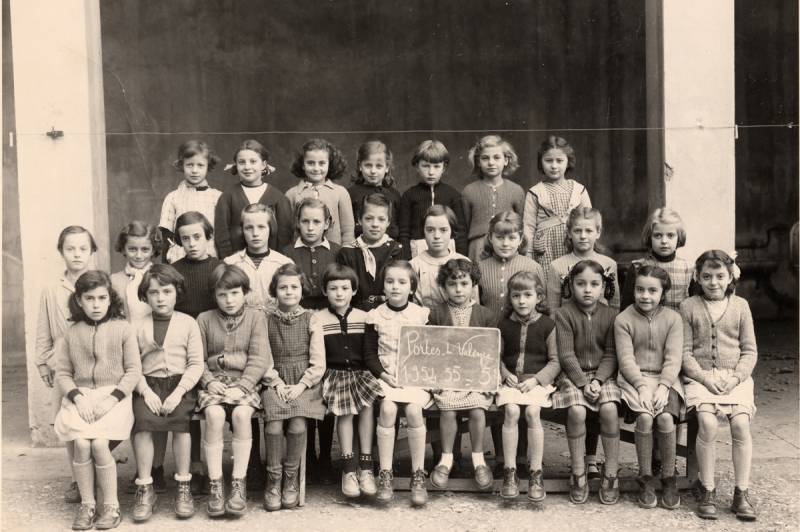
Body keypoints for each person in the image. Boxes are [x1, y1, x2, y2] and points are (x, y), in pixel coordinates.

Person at [54, 271, 142, 530]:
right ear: (79, 301)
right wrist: (77, 398)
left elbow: (133, 371)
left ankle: (112, 506)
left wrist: (112, 399)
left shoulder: (122, 329)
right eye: (89, 298)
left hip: (114, 397)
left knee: (100, 445)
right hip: (81, 397)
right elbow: (63, 373)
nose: (96, 304)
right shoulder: (72, 333)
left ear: (110, 299)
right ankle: (88, 504)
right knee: (81, 443)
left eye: (102, 298)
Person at [680, 251, 758, 521]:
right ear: (697, 278)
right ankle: (708, 489)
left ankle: (741, 492)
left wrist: (736, 378)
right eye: (707, 277)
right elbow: (685, 354)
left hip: (735, 377)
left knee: (739, 425)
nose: (713, 282)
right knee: (709, 425)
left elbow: (749, 351)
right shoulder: (688, 306)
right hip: (701, 378)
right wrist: (705, 379)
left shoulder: (741, 306)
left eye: (720, 276)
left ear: (730, 277)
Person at [196, 264, 270, 517]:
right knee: (214, 416)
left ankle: (239, 481)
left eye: (235, 293)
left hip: (244, 381)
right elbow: (197, 359)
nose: (229, 300)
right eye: (222, 294)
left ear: (245, 292)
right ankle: (216, 483)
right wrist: (207, 381)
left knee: (241, 415)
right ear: (214, 296)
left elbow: (259, 358)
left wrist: (244, 386)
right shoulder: (204, 319)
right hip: (214, 381)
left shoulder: (256, 317)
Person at [130, 265, 203, 520]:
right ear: (145, 295)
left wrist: (178, 392)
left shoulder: (188, 323)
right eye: (153, 292)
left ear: (177, 292)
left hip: (180, 386)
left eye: (167, 291)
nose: (160, 298)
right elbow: (132, 366)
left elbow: (195, 365)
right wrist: (145, 391)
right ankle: (146, 486)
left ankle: (183, 486)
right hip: (147, 385)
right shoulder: (136, 325)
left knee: (182, 424)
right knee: (143, 424)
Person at [36, 226, 98, 504]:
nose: (77, 254)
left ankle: (97, 473)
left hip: (92, 359)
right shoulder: (51, 288)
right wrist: (42, 362)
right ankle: (77, 479)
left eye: (83, 248)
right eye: (70, 248)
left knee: (93, 420)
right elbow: (43, 326)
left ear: (92, 251)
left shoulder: (98, 283)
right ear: (61, 251)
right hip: (63, 361)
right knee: (70, 422)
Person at [551, 260, 621, 505]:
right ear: (571, 285)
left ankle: (611, 473)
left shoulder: (612, 315)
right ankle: (578, 472)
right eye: (581, 284)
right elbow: (566, 355)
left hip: (604, 375)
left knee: (610, 408)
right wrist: (583, 383)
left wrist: (599, 381)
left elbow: (612, 354)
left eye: (594, 284)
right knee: (577, 410)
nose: (587, 290)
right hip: (573, 375)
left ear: (603, 287)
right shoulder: (564, 314)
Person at [615, 265, 684, 510]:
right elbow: (626, 359)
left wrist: (664, 387)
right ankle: (645, 478)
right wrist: (642, 387)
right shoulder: (623, 319)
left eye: (653, 291)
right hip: (635, 380)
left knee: (665, 419)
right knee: (644, 419)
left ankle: (668, 479)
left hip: (667, 380)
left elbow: (674, 357)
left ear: (662, 293)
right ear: (633, 290)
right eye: (640, 289)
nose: (646, 296)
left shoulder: (673, 319)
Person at [363, 261, 432, 506]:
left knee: (414, 410)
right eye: (390, 281)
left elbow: (429, 350)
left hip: (414, 377)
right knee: (388, 408)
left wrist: (416, 373)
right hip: (386, 377)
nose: (395, 287)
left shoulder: (420, 314)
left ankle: (417, 474)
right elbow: (369, 354)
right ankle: (385, 472)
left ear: (411, 287)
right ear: (383, 285)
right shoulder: (375, 315)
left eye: (402, 282)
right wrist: (383, 375)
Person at [260, 264, 327, 511]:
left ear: (303, 290)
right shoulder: (265, 320)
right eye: (283, 287)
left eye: (294, 287)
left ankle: (291, 477)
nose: (289, 292)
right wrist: (275, 382)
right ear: (274, 291)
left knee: (298, 419)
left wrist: (302, 385)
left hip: (304, 383)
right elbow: (263, 357)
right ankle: (274, 478)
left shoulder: (312, 319)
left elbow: (318, 361)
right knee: (274, 421)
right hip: (275, 381)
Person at [427, 259, 496, 491]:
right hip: (447, 376)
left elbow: (494, 350)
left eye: (464, 283)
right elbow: (429, 350)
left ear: (473, 285)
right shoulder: (436, 314)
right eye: (452, 283)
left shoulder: (485, 315)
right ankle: (446, 458)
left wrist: (489, 379)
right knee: (447, 408)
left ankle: (478, 459)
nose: (458, 289)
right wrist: (434, 379)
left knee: (478, 408)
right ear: (443, 287)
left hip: (477, 377)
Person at [317, 263, 385, 497]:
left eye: (345, 288)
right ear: (325, 291)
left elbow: (370, 353)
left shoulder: (365, 317)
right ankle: (348, 469)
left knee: (367, 408)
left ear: (354, 291)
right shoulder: (318, 320)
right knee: (345, 412)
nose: (339, 293)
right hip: (334, 375)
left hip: (361, 373)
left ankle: (365, 467)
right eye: (333, 288)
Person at [169, 211, 224, 494]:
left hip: (216, 344)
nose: (191, 243)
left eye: (197, 237)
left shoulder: (219, 268)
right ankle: (194, 465)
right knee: (188, 400)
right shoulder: (174, 270)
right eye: (185, 238)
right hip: (184, 346)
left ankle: (248, 465)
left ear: (209, 237)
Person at [496, 271, 560, 502]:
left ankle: (535, 472)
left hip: (537, 382)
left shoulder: (547, 325)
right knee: (511, 411)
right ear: (510, 298)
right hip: (511, 382)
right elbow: (496, 357)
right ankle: (510, 471)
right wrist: (504, 374)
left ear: (539, 297)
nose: (522, 301)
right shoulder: (503, 325)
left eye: (528, 295)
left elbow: (555, 361)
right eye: (516, 296)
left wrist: (537, 380)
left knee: (533, 412)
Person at [214, 139, 293, 258]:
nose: (247, 167)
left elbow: (285, 235)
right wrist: (229, 264)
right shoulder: (227, 197)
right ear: (236, 164)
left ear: (264, 165)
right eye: (241, 162)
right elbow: (222, 235)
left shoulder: (279, 198)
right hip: (236, 265)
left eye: (253, 161)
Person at [523, 136, 592, 268]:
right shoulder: (535, 192)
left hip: (573, 246)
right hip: (545, 249)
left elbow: (590, 221)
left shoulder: (579, 190)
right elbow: (528, 227)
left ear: (568, 162)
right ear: (541, 162)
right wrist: (528, 255)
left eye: (559, 161)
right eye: (548, 160)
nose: (554, 166)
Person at [398, 140, 468, 258]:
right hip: (417, 252)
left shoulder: (452, 194)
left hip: (447, 251)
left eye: (436, 166)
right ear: (417, 166)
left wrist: (460, 259)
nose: (431, 172)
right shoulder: (409, 195)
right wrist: (407, 261)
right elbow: (404, 233)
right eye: (425, 166)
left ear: (444, 167)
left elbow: (460, 231)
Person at [461, 135, 526, 262]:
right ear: (478, 162)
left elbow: (520, 223)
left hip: (506, 245)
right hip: (478, 247)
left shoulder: (516, 190)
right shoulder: (469, 191)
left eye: (496, 157)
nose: (491, 163)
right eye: (485, 158)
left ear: (506, 160)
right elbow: (465, 225)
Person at [158, 140, 222, 262]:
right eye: (189, 165)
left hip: (211, 260)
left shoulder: (218, 197)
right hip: (179, 260)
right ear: (182, 165)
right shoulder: (172, 198)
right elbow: (167, 240)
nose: (194, 170)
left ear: (208, 165)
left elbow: (222, 237)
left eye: (200, 165)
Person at [337, 193, 403, 311]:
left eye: (381, 219)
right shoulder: (347, 253)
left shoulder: (396, 250)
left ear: (388, 222)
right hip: (355, 313)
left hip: (389, 312)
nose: (375, 224)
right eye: (369, 218)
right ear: (359, 219)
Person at [224, 203, 294, 314]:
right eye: (249, 228)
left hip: (276, 324)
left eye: (261, 227)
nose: (255, 233)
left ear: (270, 228)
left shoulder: (284, 263)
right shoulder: (231, 264)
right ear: (242, 230)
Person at [620, 208, 693, 312]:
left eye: (670, 235)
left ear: (679, 237)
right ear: (650, 237)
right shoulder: (638, 267)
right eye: (658, 235)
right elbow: (626, 310)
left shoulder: (689, 269)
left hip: (679, 326)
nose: (664, 241)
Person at [286, 138, 355, 246]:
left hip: (334, 257)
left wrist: (346, 253)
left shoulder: (341, 193)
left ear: (329, 164)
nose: (316, 168)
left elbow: (348, 230)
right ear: (303, 165)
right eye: (310, 163)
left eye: (322, 163)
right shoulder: (292, 194)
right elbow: (287, 231)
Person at [282, 197, 342, 311]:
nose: (310, 228)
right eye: (305, 221)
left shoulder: (337, 251)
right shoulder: (287, 253)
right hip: (297, 313)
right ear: (298, 223)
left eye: (316, 222)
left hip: (331, 312)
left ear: (326, 224)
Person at [410, 205, 474, 309]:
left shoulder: (464, 262)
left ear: (451, 231)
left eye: (443, 230)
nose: (437, 236)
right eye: (430, 230)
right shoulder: (413, 266)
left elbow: (473, 303)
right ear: (423, 232)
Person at [347, 140, 402, 240]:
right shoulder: (351, 194)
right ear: (360, 166)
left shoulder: (394, 195)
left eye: (379, 166)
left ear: (387, 168)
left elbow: (399, 227)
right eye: (368, 165)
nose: (373, 171)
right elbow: (348, 228)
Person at [110, 220, 160, 321]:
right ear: (124, 249)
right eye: (132, 249)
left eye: (145, 249)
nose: (138, 256)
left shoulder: (160, 276)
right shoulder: (114, 280)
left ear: (153, 250)